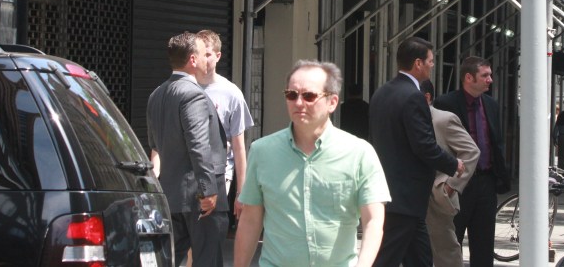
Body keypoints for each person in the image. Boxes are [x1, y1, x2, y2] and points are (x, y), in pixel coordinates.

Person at [233, 60, 390, 267]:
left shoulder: (360, 153)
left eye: (309, 96)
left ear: (332, 102)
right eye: (291, 95)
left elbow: (373, 221)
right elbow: (250, 221)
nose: (299, 103)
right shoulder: (262, 151)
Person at [369, 37, 463, 267]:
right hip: (405, 196)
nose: (433, 65)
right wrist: (453, 164)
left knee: (420, 258)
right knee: (386, 258)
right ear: (418, 63)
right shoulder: (413, 96)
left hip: (393, 191)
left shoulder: (381, 93)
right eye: (430, 61)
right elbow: (424, 145)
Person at [146, 32, 229, 267]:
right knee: (208, 260)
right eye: (203, 55)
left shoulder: (155, 95)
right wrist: (209, 189)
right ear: (192, 60)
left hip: (172, 196)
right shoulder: (193, 95)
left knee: (171, 260)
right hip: (199, 199)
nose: (206, 60)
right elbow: (198, 144)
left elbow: (155, 144)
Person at [433, 56, 509, 267]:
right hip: (457, 182)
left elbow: (496, 142)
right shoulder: (446, 103)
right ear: (468, 77)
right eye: (485, 75)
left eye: (490, 75)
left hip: (486, 182)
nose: (490, 80)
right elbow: (439, 143)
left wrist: (500, 176)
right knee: (451, 241)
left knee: (484, 245)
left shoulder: (491, 105)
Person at [421, 79, 480, 267]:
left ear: (426, 97)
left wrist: (450, 185)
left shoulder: (443, 119)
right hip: (409, 193)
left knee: (444, 249)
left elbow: (471, 152)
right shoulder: (403, 118)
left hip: (437, 194)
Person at [196, 30, 253, 217]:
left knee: (208, 233)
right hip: (188, 171)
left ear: (218, 56)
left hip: (219, 174)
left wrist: (241, 192)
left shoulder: (231, 93)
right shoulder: (184, 87)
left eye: (208, 54)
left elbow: (239, 147)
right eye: (198, 54)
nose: (203, 60)